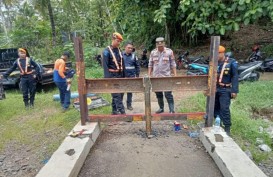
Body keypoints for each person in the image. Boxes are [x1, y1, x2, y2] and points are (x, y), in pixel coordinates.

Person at [148, 37, 177, 113]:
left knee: (168, 94)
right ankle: (161, 108)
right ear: (156, 45)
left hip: (166, 77)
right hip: (156, 77)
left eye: (161, 45)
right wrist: (149, 75)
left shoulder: (169, 52)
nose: (160, 46)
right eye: (158, 45)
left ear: (164, 44)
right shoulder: (153, 52)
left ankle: (171, 110)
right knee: (158, 93)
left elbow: (173, 64)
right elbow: (150, 64)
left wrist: (175, 75)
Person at [214, 45, 239, 136]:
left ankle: (227, 128)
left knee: (224, 109)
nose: (216, 56)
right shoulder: (214, 63)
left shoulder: (231, 63)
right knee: (214, 107)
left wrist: (234, 90)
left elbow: (235, 77)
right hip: (216, 88)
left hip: (226, 88)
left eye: (218, 54)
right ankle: (218, 124)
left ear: (222, 53)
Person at [102, 32, 126, 115]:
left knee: (120, 93)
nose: (118, 43)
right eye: (117, 41)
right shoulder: (106, 51)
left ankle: (114, 110)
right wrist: (107, 78)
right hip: (112, 75)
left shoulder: (119, 51)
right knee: (116, 94)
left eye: (120, 41)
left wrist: (124, 76)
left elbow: (123, 64)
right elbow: (105, 65)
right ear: (113, 39)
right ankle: (123, 112)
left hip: (120, 75)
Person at [123, 41, 140, 110]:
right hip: (123, 77)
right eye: (128, 48)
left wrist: (137, 75)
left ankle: (129, 105)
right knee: (121, 91)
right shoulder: (121, 55)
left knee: (129, 92)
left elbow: (137, 66)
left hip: (131, 77)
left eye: (131, 48)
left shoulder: (134, 56)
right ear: (125, 47)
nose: (130, 49)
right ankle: (120, 106)